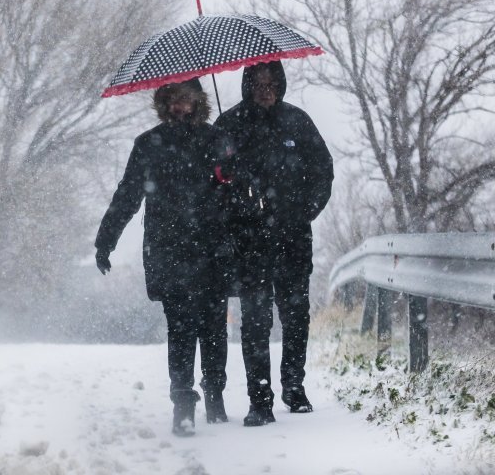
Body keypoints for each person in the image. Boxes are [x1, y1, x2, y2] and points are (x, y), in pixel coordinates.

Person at [94, 79, 229, 437]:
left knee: (214, 327)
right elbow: (127, 195)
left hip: (213, 248)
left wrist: (229, 174)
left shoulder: (218, 140)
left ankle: (216, 396)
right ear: (162, 102)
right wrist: (105, 240)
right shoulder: (148, 144)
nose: (178, 107)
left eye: (185, 99)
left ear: (198, 101)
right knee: (182, 327)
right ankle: (183, 403)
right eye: (171, 99)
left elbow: (236, 191)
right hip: (169, 250)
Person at [213, 60, 333, 427]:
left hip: (293, 236)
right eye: (259, 83)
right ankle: (259, 399)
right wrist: (233, 190)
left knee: (295, 314)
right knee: (255, 318)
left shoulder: (298, 121)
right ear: (248, 85)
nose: (266, 89)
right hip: (249, 239)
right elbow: (213, 181)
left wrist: (304, 212)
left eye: (272, 82)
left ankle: (294, 387)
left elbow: (323, 169)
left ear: (280, 83)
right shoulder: (229, 126)